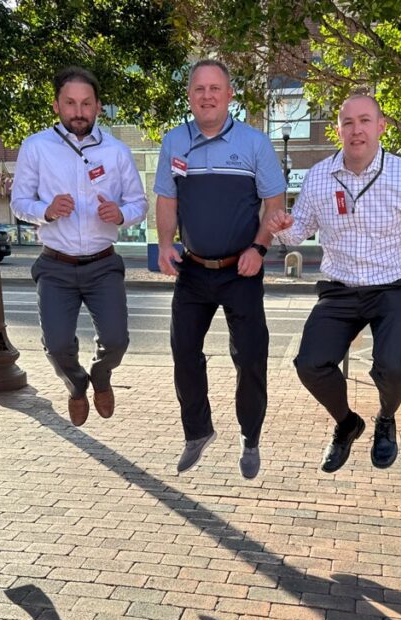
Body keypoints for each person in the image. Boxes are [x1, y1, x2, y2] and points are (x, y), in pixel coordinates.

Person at [266, 94, 401, 473]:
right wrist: (282, 230)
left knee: (394, 367)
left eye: (365, 121)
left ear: (381, 127)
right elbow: (299, 231)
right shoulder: (318, 177)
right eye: (348, 123)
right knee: (310, 364)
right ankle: (348, 423)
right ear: (338, 131)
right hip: (340, 288)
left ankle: (385, 418)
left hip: (392, 288)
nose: (356, 130)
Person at [154, 59, 286, 480]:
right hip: (193, 269)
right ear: (190, 96)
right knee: (182, 352)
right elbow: (167, 199)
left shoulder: (254, 144)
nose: (207, 96)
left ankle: (251, 437)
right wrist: (163, 244)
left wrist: (259, 248)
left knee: (250, 357)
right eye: (199, 89)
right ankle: (197, 431)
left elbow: (275, 205)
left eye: (215, 89)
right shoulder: (175, 142)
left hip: (241, 270)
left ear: (230, 95)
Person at [12, 66, 147, 426]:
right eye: (70, 103)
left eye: (86, 103)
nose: (79, 111)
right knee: (57, 347)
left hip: (103, 264)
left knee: (117, 341)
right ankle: (76, 385)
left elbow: (139, 204)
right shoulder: (36, 147)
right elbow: (19, 203)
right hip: (55, 266)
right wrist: (46, 211)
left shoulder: (117, 152)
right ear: (57, 105)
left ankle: (101, 377)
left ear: (98, 107)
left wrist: (120, 214)